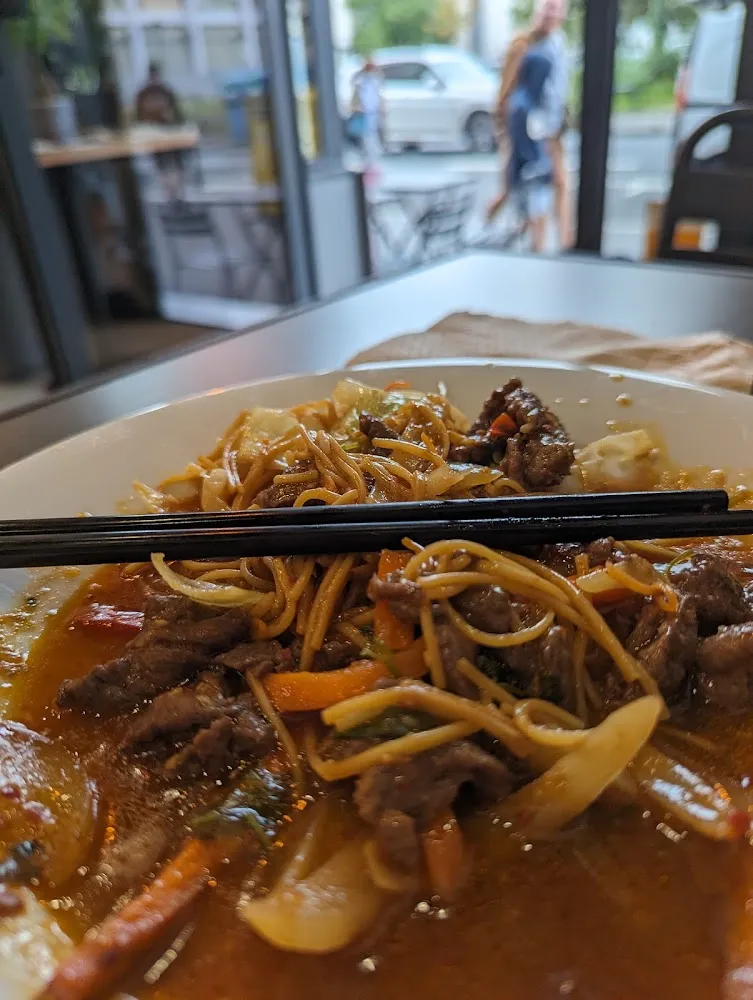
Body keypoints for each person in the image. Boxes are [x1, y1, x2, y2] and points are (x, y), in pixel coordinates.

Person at [486, 0, 571, 251]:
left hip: (550, 128)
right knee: (522, 186)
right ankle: (532, 243)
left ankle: (565, 243)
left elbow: (559, 90)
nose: (550, 14)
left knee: (558, 183)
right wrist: (506, 131)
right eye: (547, 8)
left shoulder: (558, 44)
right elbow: (507, 93)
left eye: (556, 8)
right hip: (527, 128)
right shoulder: (523, 44)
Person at [135, 62, 185, 195]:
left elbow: (178, 115)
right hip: (153, 135)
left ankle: (177, 190)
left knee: (177, 162)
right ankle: (169, 192)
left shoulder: (166, 91)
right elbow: (138, 117)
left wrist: (172, 119)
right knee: (161, 164)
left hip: (170, 134)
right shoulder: (143, 93)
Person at [350, 57, 383, 185]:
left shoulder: (374, 81)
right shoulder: (361, 82)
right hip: (364, 114)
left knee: (371, 138)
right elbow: (357, 99)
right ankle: (369, 164)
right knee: (368, 138)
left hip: (372, 113)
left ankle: (371, 164)